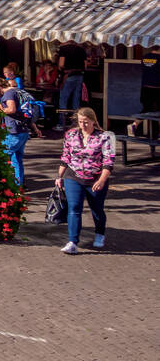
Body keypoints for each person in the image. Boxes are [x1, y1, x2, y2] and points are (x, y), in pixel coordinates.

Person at [56, 107, 114, 254]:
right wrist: (59, 176)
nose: (83, 125)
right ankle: (72, 242)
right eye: (80, 122)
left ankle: (100, 233)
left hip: (95, 177)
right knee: (74, 207)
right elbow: (65, 157)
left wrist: (102, 180)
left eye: (86, 122)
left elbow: (108, 161)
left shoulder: (105, 137)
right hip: (73, 175)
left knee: (97, 208)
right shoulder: (71, 134)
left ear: (93, 121)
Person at [0, 77, 41, 188]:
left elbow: (11, 109)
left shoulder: (9, 94)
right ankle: (19, 185)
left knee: (2, 157)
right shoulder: (20, 93)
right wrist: (35, 129)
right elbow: (27, 113)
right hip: (23, 130)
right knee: (17, 159)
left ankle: (3, 185)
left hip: (13, 131)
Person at [56, 40, 88, 128]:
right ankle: (76, 123)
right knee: (76, 100)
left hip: (68, 75)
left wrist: (60, 70)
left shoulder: (63, 49)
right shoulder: (82, 49)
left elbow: (61, 64)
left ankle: (61, 124)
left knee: (63, 99)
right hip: (79, 76)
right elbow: (85, 66)